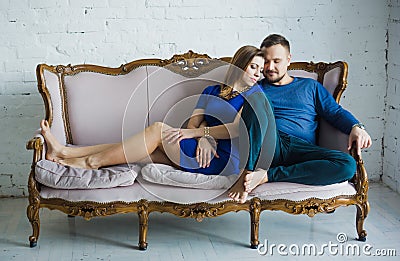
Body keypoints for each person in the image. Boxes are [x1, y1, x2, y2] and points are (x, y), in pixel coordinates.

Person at [40, 45, 265, 178]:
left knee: (157, 130)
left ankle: (90, 163)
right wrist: (203, 136)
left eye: (261, 70)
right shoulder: (211, 90)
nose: (257, 73)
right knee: (133, 151)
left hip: (221, 160)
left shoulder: (253, 97)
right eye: (253, 66)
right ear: (240, 63)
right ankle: (64, 153)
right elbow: (192, 125)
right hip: (200, 148)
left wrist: (202, 136)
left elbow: (235, 129)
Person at [228, 34, 372, 203]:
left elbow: (335, 112)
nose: (270, 67)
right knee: (257, 97)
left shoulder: (310, 87)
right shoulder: (255, 88)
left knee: (347, 165)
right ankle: (247, 173)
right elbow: (235, 120)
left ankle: (267, 176)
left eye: (276, 61)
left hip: (302, 149)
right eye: (266, 61)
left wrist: (356, 126)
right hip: (270, 145)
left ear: (289, 60)